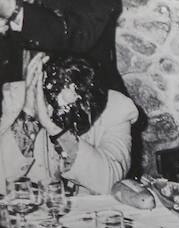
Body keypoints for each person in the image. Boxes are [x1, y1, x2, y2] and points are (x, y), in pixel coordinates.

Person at [0, 52, 137, 194]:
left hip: (90, 212)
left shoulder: (116, 108)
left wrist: (55, 129)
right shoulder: (21, 99)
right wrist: (29, 115)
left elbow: (109, 182)